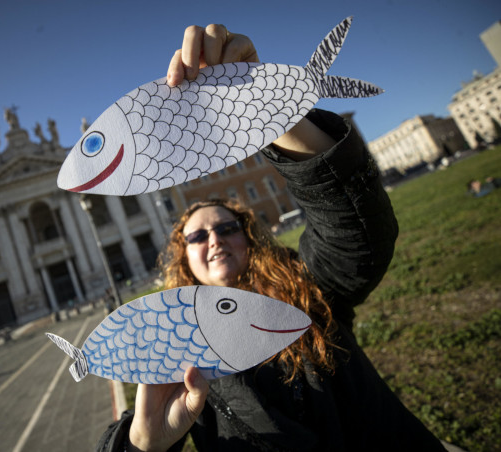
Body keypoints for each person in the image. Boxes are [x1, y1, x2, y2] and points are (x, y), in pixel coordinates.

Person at [96, 24, 446, 451]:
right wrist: (140, 444)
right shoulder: (174, 345)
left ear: (249, 238)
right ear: (182, 260)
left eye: (227, 228)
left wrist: (265, 106)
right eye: (197, 237)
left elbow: (352, 228)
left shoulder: (307, 290)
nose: (214, 240)